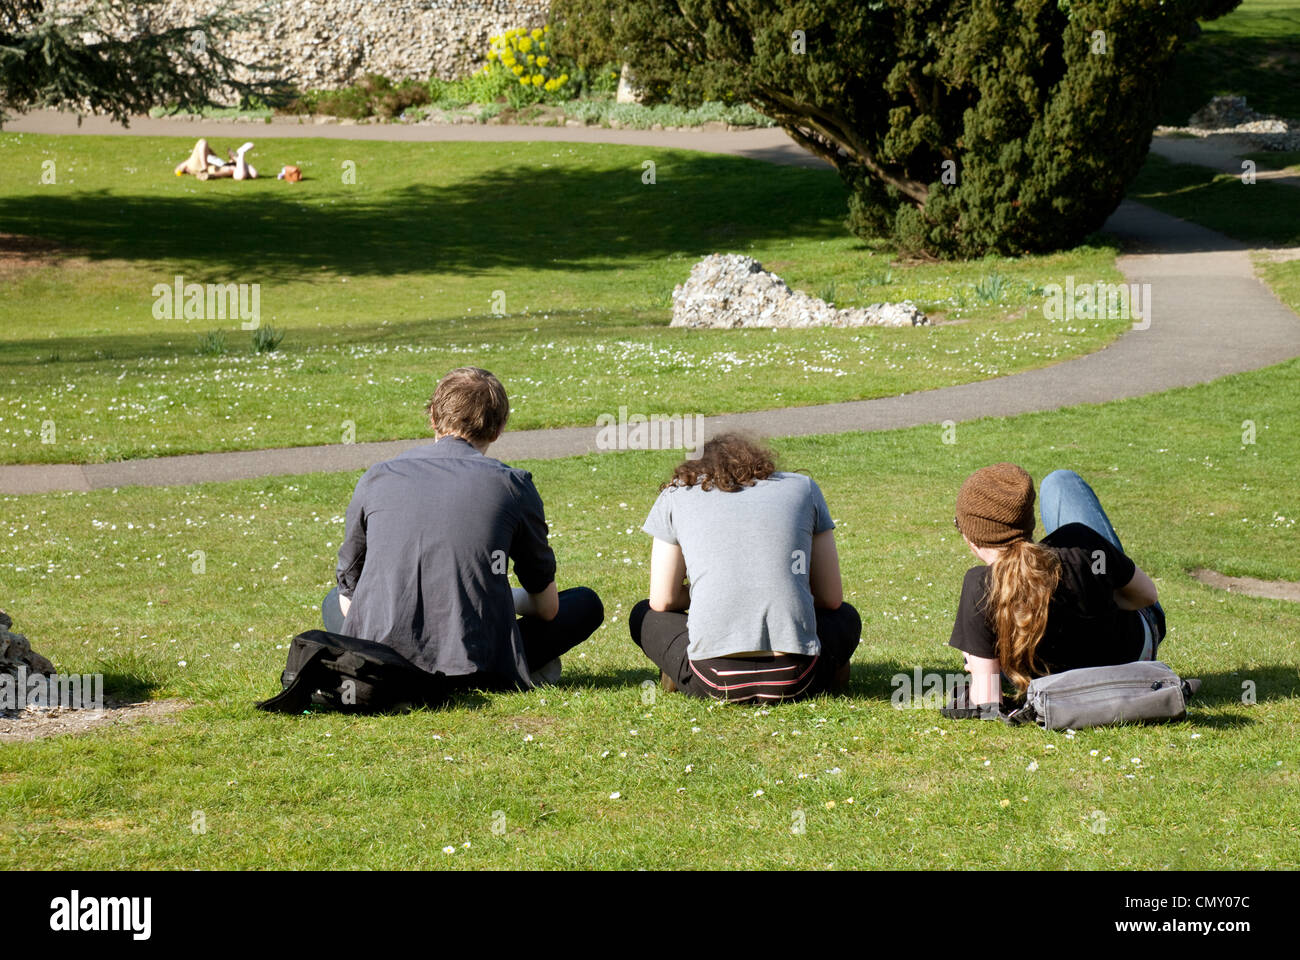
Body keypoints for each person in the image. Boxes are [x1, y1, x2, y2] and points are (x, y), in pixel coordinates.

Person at [322, 367, 603, 691]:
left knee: (332, 601)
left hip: (383, 658)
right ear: (499, 429)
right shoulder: (513, 486)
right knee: (584, 603)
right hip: (479, 661)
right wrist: (490, 597)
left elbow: (349, 598)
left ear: (432, 417)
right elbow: (547, 607)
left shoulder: (377, 476)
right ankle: (523, 664)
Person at [628, 433, 861, 703]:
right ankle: (830, 669)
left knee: (644, 613)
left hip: (713, 679)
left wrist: (707, 588)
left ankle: (677, 670)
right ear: (762, 463)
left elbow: (663, 600)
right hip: (794, 677)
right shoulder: (803, 488)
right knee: (846, 616)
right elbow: (831, 599)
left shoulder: (676, 495)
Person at [948, 464, 1165, 706]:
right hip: (1129, 666)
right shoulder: (1081, 543)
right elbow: (1146, 597)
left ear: (971, 537)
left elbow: (986, 701)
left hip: (1051, 687)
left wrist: (977, 657)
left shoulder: (980, 587)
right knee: (1060, 481)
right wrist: (1093, 591)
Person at [174, 138, 258, 180]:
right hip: (211, 167)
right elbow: (178, 170)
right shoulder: (190, 162)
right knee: (203, 142)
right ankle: (240, 154)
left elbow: (178, 170)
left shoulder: (224, 166)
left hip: (216, 167)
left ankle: (240, 154)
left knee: (253, 175)